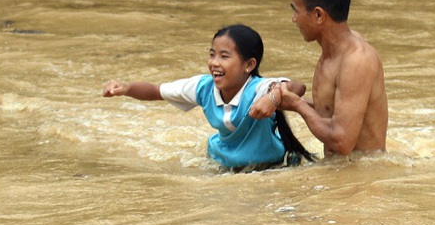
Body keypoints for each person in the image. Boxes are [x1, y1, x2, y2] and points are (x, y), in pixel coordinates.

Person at [102, 24, 314, 172]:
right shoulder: (203, 87)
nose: (214, 63)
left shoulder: (258, 89)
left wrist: (273, 98)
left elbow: (297, 87)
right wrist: (126, 88)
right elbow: (157, 91)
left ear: (249, 65)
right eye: (212, 54)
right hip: (222, 162)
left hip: (268, 166)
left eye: (224, 56)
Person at [276, 0, 388, 156]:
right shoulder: (333, 52)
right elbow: (332, 110)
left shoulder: (357, 60)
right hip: (343, 172)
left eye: (296, 11)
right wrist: (290, 101)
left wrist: (298, 105)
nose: (293, 19)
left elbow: (342, 141)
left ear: (319, 15)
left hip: (363, 179)